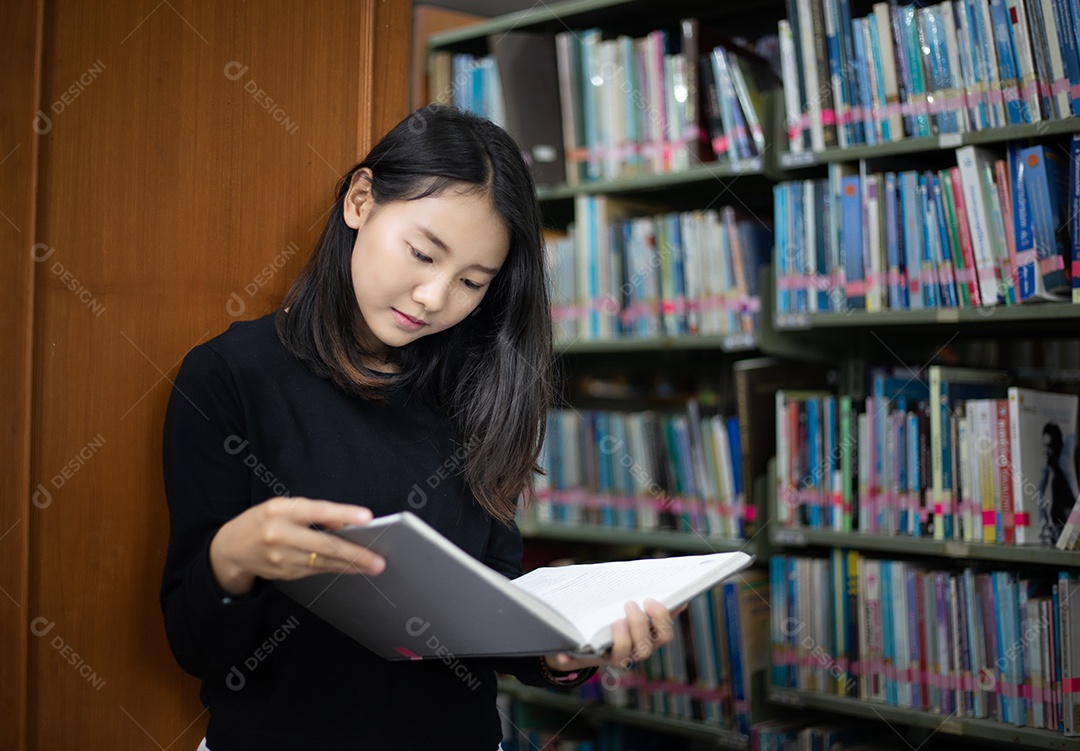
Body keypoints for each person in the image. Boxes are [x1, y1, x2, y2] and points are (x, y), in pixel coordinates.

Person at [160, 105, 678, 750]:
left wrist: (562, 653)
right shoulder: (230, 377)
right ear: (360, 200)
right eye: (421, 254)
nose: (435, 297)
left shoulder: (478, 389)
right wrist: (232, 557)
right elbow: (195, 644)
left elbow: (489, 609)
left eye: (471, 282)